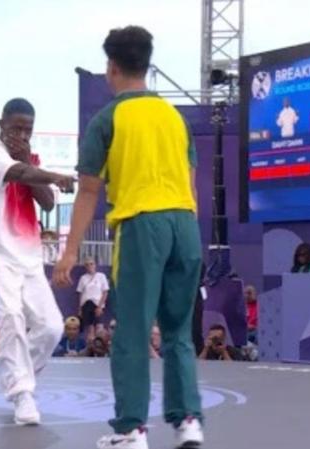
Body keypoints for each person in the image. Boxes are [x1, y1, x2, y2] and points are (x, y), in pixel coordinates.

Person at [51, 26, 203, 449]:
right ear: (148, 66)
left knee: (133, 332)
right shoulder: (175, 117)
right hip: (186, 226)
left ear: (110, 68)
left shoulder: (107, 119)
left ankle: (131, 431)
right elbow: (192, 185)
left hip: (142, 226)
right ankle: (189, 420)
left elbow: (88, 190)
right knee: (178, 332)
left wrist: (69, 253)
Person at [0, 97, 73, 426]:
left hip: (28, 259)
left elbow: (49, 203)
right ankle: (23, 393)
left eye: (28, 130)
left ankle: (18, 380)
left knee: (53, 328)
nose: (22, 136)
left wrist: (41, 173)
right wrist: (52, 174)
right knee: (10, 315)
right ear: (1, 125)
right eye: (16, 129)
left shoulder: (31, 159)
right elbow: (18, 172)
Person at [77, 257, 110, 342]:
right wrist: (80, 308)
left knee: (99, 328)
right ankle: (90, 350)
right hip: (86, 304)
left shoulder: (101, 276)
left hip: (97, 304)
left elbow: (105, 292)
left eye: (91, 264)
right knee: (90, 330)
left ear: (95, 265)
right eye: (87, 264)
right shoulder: (83, 278)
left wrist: (99, 307)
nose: (89, 266)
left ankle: (100, 350)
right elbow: (80, 293)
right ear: (85, 267)